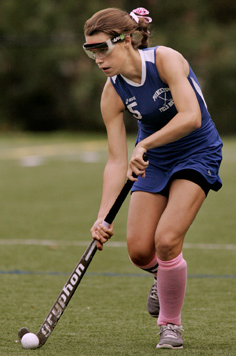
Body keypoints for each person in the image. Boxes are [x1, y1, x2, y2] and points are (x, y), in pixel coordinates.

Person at [83, 7, 223, 349]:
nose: (98, 59)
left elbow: (191, 117)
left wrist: (144, 142)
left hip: (197, 152)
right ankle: (165, 275)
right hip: (155, 161)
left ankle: (170, 326)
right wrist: (102, 216)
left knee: (167, 240)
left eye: (103, 48)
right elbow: (116, 161)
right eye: (91, 51)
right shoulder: (112, 92)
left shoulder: (165, 60)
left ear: (126, 41)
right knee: (140, 251)